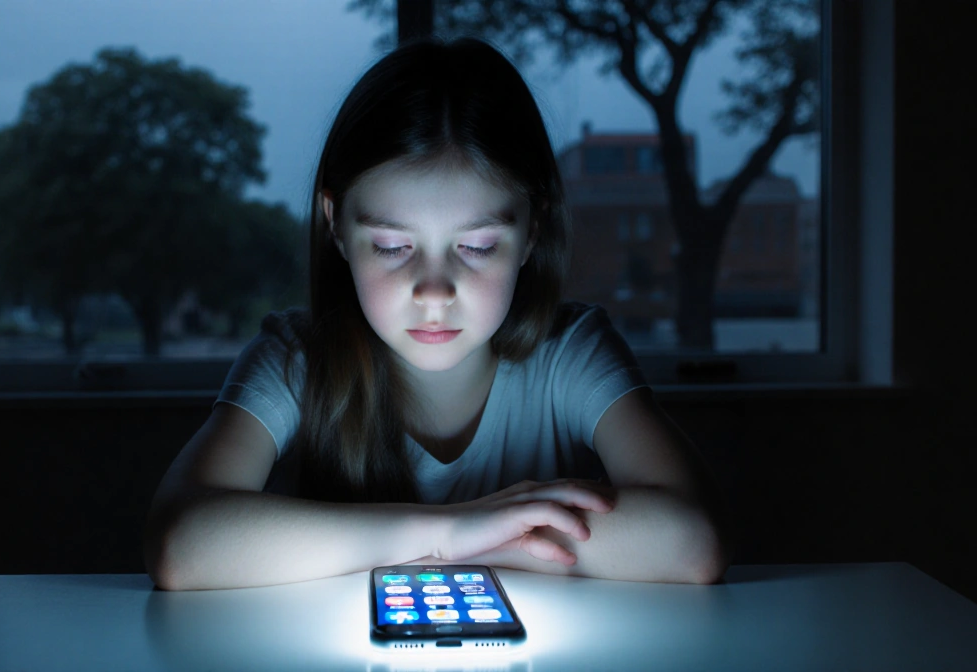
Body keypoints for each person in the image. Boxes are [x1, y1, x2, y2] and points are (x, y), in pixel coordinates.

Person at [144, 37, 734, 591]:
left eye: (476, 247)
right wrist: (448, 533)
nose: (433, 291)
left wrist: (456, 541)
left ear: (532, 231)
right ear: (336, 225)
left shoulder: (570, 352)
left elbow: (691, 540)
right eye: (393, 247)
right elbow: (181, 543)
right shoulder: (296, 360)